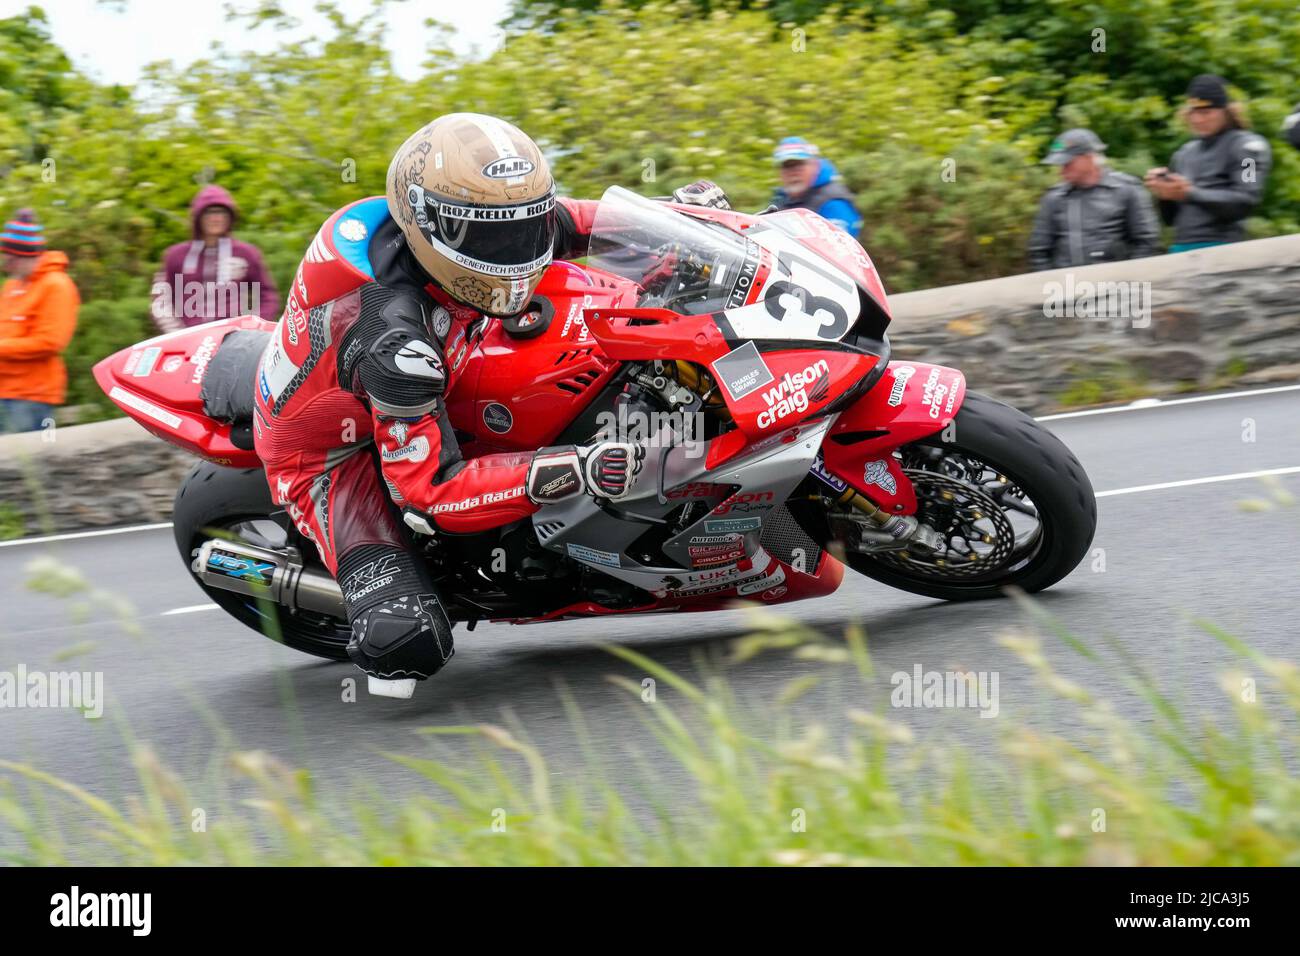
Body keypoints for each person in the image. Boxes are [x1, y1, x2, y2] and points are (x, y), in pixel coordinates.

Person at [253, 113, 728, 697]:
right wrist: (574, 470)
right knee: (408, 644)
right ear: (428, 227)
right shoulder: (390, 342)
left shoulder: (476, 222)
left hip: (447, 347)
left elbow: (588, 223)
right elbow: (430, 490)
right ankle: (396, 594)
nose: (518, 248)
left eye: (521, 227)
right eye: (489, 237)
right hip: (332, 451)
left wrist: (691, 225)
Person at [1144, 75, 1273, 253]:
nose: (1197, 120)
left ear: (1225, 111)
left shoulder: (1248, 148)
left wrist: (1189, 193)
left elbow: (1246, 200)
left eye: (1205, 112)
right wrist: (1163, 193)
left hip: (1222, 249)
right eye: (1193, 112)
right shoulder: (1183, 153)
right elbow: (1170, 219)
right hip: (1181, 250)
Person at [150, 184, 280, 331]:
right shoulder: (175, 256)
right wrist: (177, 333)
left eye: (221, 212)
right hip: (189, 341)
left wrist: (253, 327)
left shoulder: (246, 254)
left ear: (230, 217)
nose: (215, 218)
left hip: (235, 340)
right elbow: (160, 300)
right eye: (209, 212)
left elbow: (268, 295)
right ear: (198, 217)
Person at [1027, 128, 1160, 270]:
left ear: (1089, 157)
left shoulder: (1126, 190)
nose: (1062, 170)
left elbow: (1147, 242)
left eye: (1067, 163)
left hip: (1117, 285)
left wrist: (1128, 280)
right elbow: (1039, 251)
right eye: (1060, 164)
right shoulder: (1054, 198)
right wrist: (1053, 286)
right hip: (1067, 287)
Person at [0, 209, 80, 434]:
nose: (5, 265)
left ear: (24, 255)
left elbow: (50, 342)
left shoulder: (56, 285)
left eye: (9, 259)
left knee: (22, 468)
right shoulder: (13, 285)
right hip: (4, 393)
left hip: (29, 398)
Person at [770, 136, 863, 238]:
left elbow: (840, 247)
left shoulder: (834, 202)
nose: (793, 172)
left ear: (815, 165)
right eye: (787, 166)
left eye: (799, 164)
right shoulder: (780, 200)